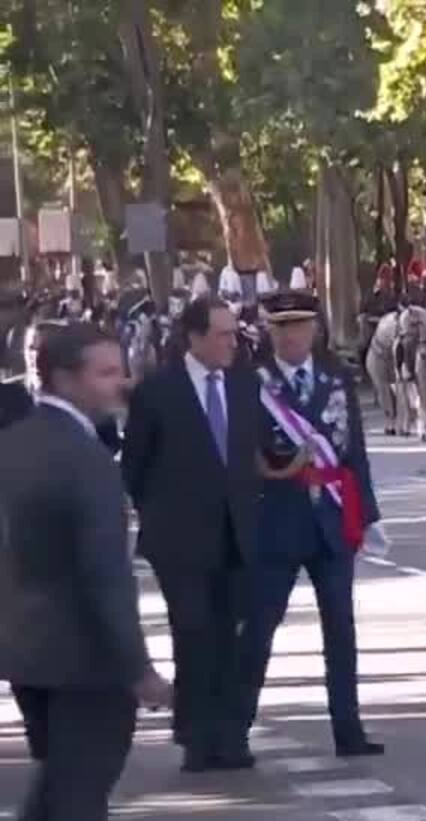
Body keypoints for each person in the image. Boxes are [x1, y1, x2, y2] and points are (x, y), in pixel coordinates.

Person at [0, 324, 172, 821]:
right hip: (84, 656)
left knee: (59, 783)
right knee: (81, 798)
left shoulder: (13, 444)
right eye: (106, 372)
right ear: (66, 377)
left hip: (25, 649)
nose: (120, 383)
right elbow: (106, 577)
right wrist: (139, 669)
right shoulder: (86, 459)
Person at [237, 292, 385, 757]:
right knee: (260, 625)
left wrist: (370, 514)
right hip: (276, 517)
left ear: (314, 329)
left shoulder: (337, 377)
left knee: (341, 628)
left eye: (299, 325)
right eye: (281, 327)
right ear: (269, 332)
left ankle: (349, 729)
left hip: (332, 516)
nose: (291, 335)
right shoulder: (250, 383)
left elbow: (354, 450)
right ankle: (235, 728)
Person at [122, 296, 265, 772]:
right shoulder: (158, 391)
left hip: (236, 533)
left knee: (232, 636)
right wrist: (162, 516)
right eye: (222, 334)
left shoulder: (245, 384)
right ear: (195, 337)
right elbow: (136, 469)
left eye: (233, 333)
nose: (232, 342)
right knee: (194, 632)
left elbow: (253, 456)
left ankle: (231, 734)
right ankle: (196, 736)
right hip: (179, 540)